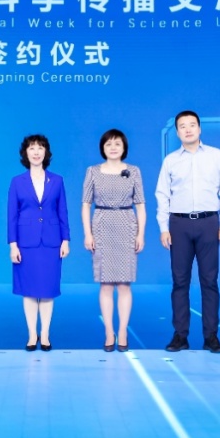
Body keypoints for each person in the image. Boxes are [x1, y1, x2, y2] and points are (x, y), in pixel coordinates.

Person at [156, 110, 220, 354]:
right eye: (182, 126)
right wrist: (163, 228)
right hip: (178, 224)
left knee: (209, 281)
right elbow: (162, 195)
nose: (188, 129)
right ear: (177, 132)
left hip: (208, 222)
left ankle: (211, 336)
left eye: (192, 125)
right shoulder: (171, 160)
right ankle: (180, 335)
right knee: (180, 282)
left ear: (199, 129)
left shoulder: (216, 156)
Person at [82, 129, 146, 352]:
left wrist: (140, 234)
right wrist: (88, 233)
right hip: (101, 224)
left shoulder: (134, 171)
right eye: (108, 144)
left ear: (124, 147)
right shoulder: (92, 171)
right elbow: (85, 205)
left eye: (117, 143)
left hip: (127, 224)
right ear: (102, 147)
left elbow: (140, 205)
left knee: (124, 284)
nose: (113, 147)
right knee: (106, 283)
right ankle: (109, 332)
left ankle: (123, 331)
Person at [7, 134, 70, 352]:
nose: (36, 152)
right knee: (29, 290)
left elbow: (63, 212)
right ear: (25, 153)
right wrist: (13, 244)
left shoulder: (57, 180)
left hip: (51, 242)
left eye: (40, 148)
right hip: (26, 243)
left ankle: (45, 334)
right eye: (32, 148)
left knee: (48, 289)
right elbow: (12, 216)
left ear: (46, 152)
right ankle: (32, 335)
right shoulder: (17, 182)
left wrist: (66, 240)